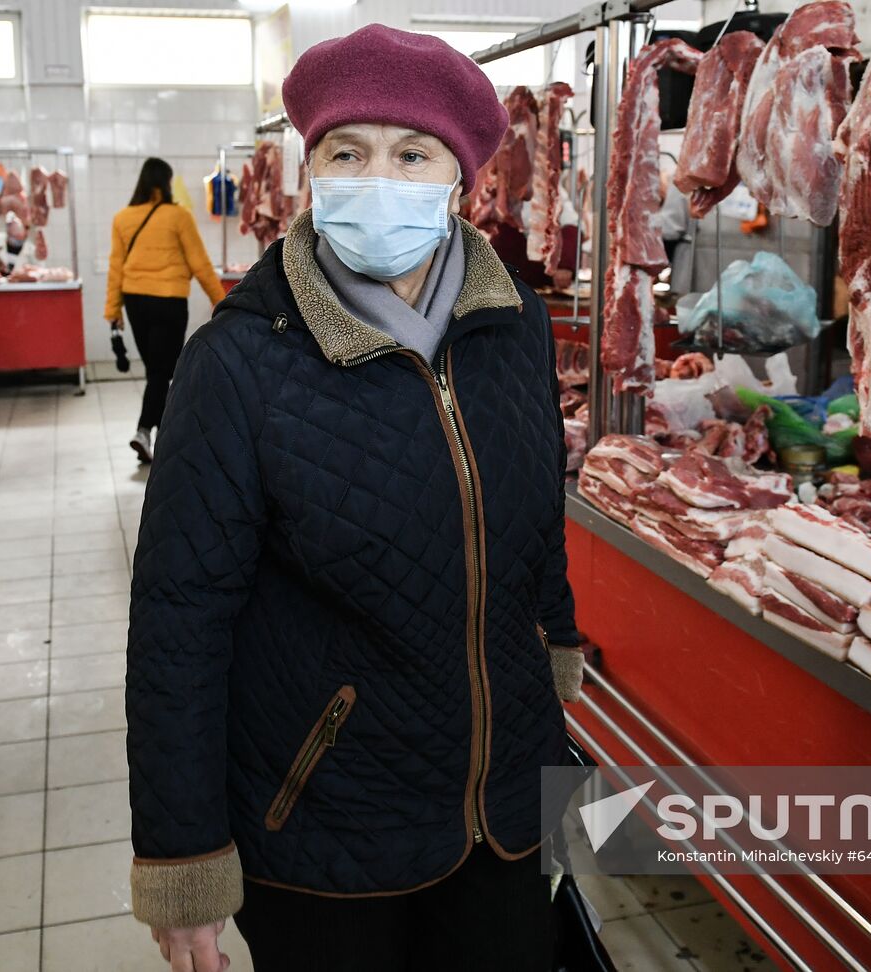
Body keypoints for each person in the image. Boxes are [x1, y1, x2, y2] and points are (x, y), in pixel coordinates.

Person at [125, 25, 581, 972]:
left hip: (502, 814)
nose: (380, 178)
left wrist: (552, 703)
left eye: (412, 153)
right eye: (348, 152)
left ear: (458, 178)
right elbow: (179, 619)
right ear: (313, 172)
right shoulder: (239, 361)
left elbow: (537, 540)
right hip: (324, 831)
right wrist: (184, 860)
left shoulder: (516, 327)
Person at [104, 157, 226, 463]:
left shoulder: (122, 218)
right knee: (161, 371)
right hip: (169, 301)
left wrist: (113, 310)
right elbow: (200, 263)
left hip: (135, 302)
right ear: (164, 183)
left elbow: (116, 268)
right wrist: (222, 301)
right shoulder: (178, 217)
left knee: (156, 371)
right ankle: (145, 431)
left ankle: (160, 436)